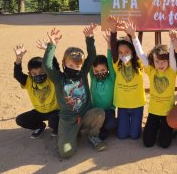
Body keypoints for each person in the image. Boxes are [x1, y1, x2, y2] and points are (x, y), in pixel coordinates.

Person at [43, 24, 106, 159]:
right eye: (71, 65)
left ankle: (92, 136)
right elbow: (47, 66)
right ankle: (68, 134)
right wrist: (51, 45)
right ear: (64, 63)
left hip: (84, 115)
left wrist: (89, 38)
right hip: (68, 120)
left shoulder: (82, 73)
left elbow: (92, 55)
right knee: (66, 153)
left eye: (78, 66)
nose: (75, 68)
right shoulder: (59, 78)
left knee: (99, 113)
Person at [124, 20, 177, 148]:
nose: (160, 64)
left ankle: (168, 128)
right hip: (153, 112)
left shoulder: (172, 71)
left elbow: (172, 57)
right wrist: (134, 37)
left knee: (164, 144)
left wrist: (171, 41)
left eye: (163, 61)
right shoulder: (151, 70)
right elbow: (141, 54)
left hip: (167, 113)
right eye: (157, 61)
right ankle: (157, 126)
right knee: (147, 143)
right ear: (153, 61)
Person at [108, 16, 146, 140]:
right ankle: (122, 123)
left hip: (137, 105)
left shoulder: (139, 64)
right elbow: (113, 48)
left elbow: (139, 51)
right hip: (123, 105)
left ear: (132, 52)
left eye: (127, 52)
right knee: (122, 135)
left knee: (135, 136)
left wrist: (133, 36)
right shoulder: (117, 64)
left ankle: (135, 125)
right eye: (121, 52)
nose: (123, 55)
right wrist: (113, 30)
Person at [13, 43, 59, 139]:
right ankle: (39, 126)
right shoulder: (28, 81)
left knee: (54, 121)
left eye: (42, 72)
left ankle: (57, 129)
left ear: (46, 71)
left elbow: (55, 67)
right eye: (34, 73)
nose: (38, 75)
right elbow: (17, 74)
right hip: (39, 111)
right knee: (20, 120)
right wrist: (19, 59)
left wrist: (49, 51)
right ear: (30, 74)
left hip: (55, 111)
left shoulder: (52, 78)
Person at [89, 30, 117, 140]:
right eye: (96, 71)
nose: (99, 72)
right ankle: (98, 129)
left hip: (108, 110)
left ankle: (104, 129)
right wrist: (90, 39)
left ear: (107, 69)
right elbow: (91, 58)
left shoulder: (111, 78)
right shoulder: (93, 77)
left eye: (103, 70)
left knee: (110, 124)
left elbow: (110, 61)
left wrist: (109, 45)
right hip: (95, 110)